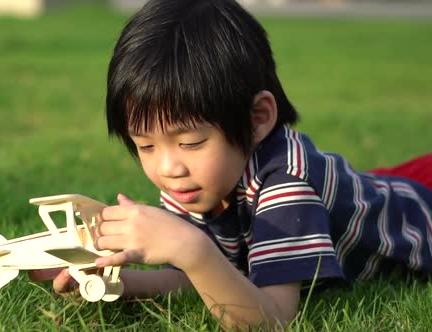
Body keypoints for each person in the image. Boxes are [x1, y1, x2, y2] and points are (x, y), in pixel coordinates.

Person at [30, 0, 432, 329]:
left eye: (191, 141)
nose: (168, 167)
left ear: (258, 118)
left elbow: (272, 317)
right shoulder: (199, 178)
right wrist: (117, 281)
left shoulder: (285, 187)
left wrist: (189, 247)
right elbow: (209, 279)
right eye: (145, 146)